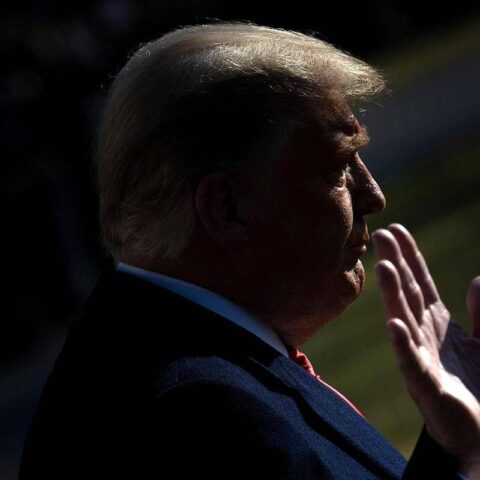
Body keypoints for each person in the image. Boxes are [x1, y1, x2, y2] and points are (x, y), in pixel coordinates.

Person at [18, 22, 480, 479]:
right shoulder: (200, 416)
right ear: (228, 209)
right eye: (339, 167)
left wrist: (452, 446)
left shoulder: (142, 347)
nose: (374, 195)